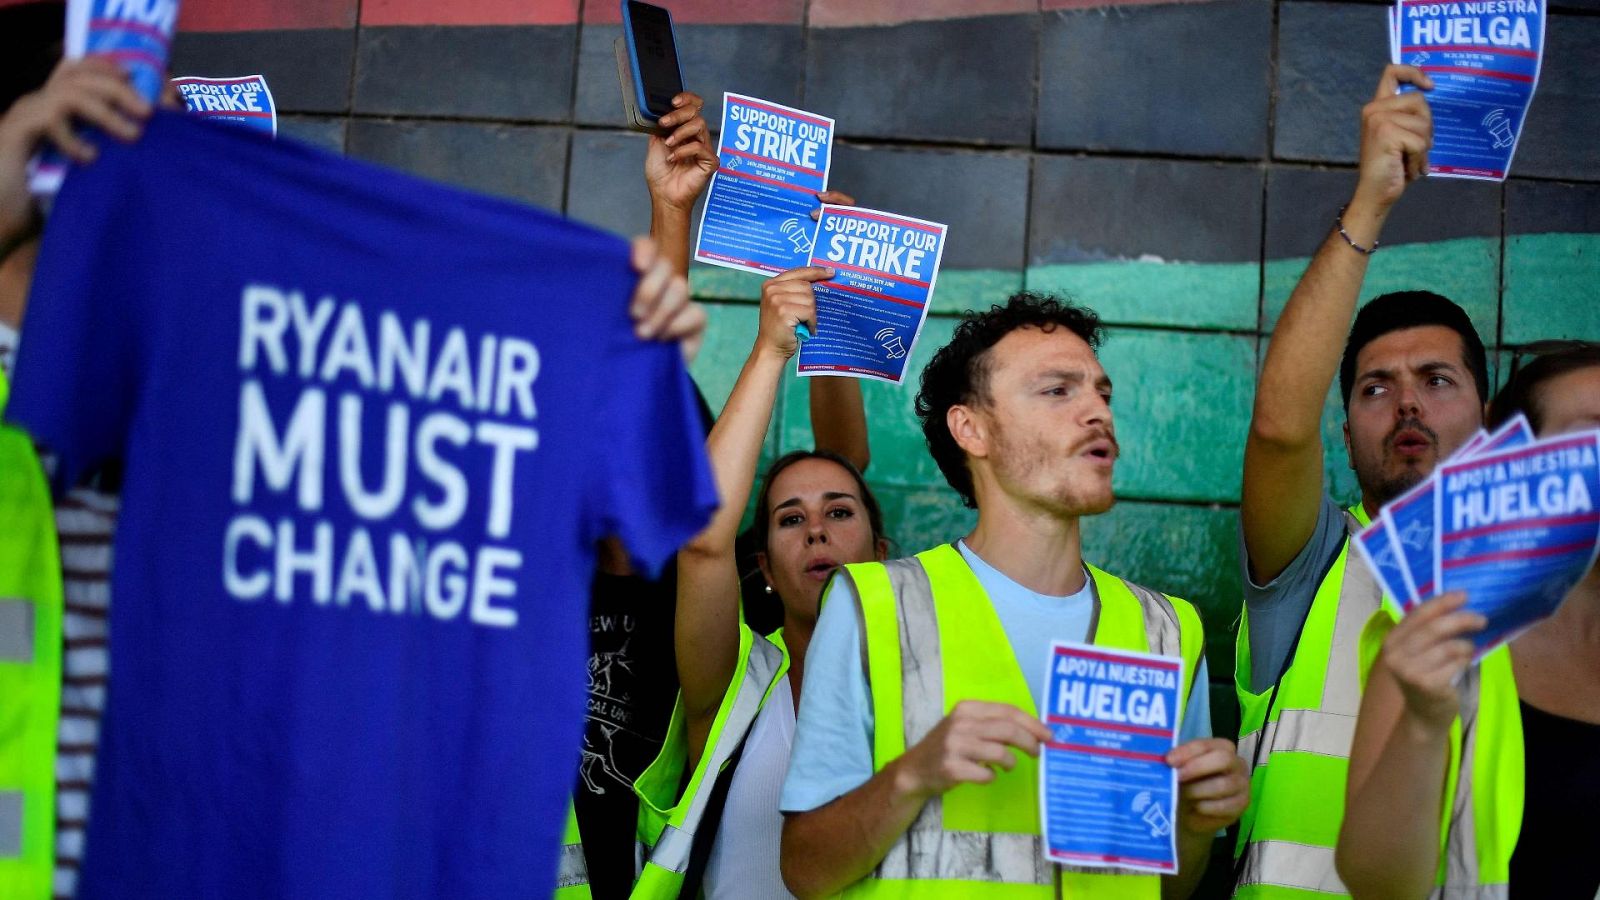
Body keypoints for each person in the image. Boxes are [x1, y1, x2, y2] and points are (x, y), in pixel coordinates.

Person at [779, 293, 1249, 898]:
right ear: (970, 428)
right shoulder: (872, 604)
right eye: (1058, 390)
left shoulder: (1167, 629)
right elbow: (804, 870)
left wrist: (1190, 825)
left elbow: (1171, 886)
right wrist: (914, 774)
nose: (1096, 412)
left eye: (1101, 393)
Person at [1231, 64, 1493, 897]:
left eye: (1438, 380)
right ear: (1343, 431)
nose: (1407, 401)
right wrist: (1370, 205)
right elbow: (1278, 430)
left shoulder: (1546, 580)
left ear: (1488, 419)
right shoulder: (1314, 564)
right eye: (1376, 387)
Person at [630, 239, 882, 898]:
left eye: (840, 514)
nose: (818, 529)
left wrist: (835, 291)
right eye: (791, 519)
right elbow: (705, 541)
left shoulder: (923, 682)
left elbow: (845, 455)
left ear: (883, 554)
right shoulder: (737, 686)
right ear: (765, 566)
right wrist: (770, 349)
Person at [1337, 343, 1600, 899]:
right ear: (1517, 469)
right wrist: (1424, 725)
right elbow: (1377, 881)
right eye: (1594, 433)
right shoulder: (1434, 630)